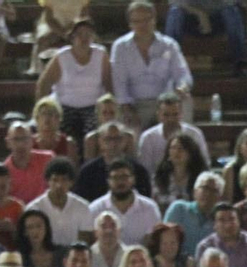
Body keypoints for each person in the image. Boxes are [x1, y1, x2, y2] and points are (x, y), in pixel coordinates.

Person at [111, 1, 194, 131]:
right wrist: (127, 108)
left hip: (165, 102)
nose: (142, 25)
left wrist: (182, 87)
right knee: (120, 113)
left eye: (146, 20)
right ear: (130, 24)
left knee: (186, 100)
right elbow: (119, 83)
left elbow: (183, 75)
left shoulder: (169, 45)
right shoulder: (120, 47)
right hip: (135, 104)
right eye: (137, 21)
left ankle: (181, 142)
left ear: (154, 20)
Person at [36, 18, 111, 152]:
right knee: (65, 134)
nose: (84, 38)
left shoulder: (101, 54)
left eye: (88, 34)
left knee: (93, 134)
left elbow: (108, 83)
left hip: (93, 107)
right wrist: (41, 109)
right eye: (80, 34)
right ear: (72, 37)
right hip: (65, 106)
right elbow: (44, 83)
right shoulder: (62, 56)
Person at [26, 158, 95, 247]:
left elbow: (85, 240)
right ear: (48, 181)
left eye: (64, 180)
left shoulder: (83, 207)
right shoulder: (34, 208)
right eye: (55, 180)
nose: (59, 185)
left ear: (71, 182)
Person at [196, 201, 247, 267]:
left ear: (239, 222)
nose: (228, 225)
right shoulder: (205, 247)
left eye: (232, 219)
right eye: (222, 220)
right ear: (214, 225)